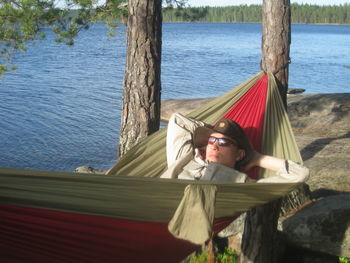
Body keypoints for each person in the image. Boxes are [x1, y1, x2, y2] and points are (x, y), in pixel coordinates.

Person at [160, 113, 309, 183]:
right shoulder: (185, 159)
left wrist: (257, 158)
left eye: (224, 143)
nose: (215, 146)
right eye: (212, 141)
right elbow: (177, 121)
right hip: (149, 201)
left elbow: (299, 174)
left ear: (239, 155)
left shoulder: (240, 183)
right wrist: (209, 134)